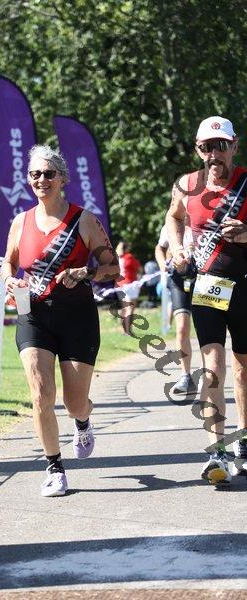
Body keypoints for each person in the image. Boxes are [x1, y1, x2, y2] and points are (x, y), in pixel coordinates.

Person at [1, 145, 119, 497]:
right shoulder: (20, 222)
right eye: (35, 174)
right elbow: (9, 262)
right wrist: (8, 280)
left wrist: (85, 272)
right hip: (32, 313)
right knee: (40, 393)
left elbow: (112, 267)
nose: (42, 180)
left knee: (74, 402)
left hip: (77, 316)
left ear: (62, 179)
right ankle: (54, 468)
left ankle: (82, 421)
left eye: (49, 174)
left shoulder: (84, 220)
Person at [166, 115, 247, 485]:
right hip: (209, 286)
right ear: (198, 150)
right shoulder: (186, 185)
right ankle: (217, 451)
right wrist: (178, 247)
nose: (214, 153)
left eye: (221, 145)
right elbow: (173, 217)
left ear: (234, 146)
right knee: (213, 366)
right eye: (206, 147)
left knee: (243, 368)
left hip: (245, 285)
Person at [155, 224, 197, 394]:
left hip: (203, 278)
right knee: (181, 328)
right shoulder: (170, 225)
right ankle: (186, 376)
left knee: (209, 329)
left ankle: (210, 371)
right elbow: (160, 247)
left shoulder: (203, 219)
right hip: (178, 279)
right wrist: (162, 264)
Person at [115, 241, 141, 335]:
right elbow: (139, 268)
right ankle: (128, 330)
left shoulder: (117, 259)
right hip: (129, 284)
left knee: (124, 308)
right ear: (126, 248)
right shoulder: (129, 257)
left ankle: (124, 330)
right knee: (130, 308)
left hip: (119, 285)